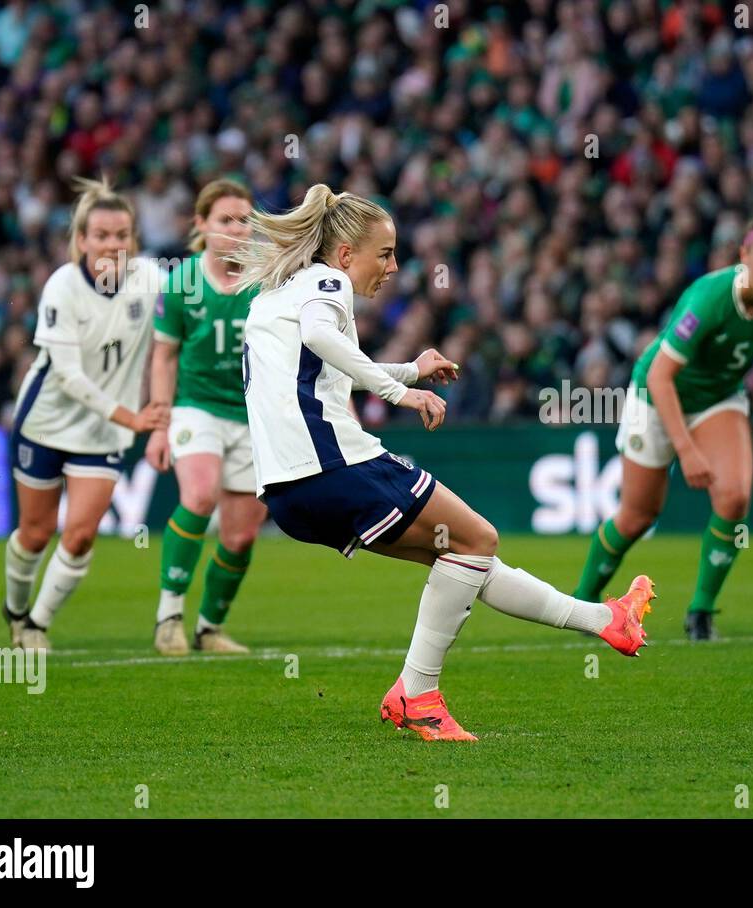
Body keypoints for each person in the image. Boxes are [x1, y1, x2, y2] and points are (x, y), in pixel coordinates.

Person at [232, 184, 656, 742]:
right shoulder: (327, 283)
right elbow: (319, 338)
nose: (393, 266)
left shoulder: (278, 295)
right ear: (343, 256)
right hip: (333, 465)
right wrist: (397, 393)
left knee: (462, 555)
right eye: (383, 253)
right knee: (478, 539)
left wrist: (409, 369)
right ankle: (417, 692)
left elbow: (314, 363)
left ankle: (606, 622)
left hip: (289, 492)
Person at [573, 206, 753, 641]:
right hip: (655, 394)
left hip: (718, 397)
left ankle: (700, 613)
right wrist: (689, 450)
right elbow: (661, 375)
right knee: (638, 516)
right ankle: (581, 601)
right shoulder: (710, 298)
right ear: (744, 256)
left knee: (734, 500)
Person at [3, 177, 169, 650]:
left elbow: (195, 299)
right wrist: (133, 418)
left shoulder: (152, 279)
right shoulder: (62, 287)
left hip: (103, 433)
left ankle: (35, 625)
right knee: (34, 534)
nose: (112, 244)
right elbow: (69, 377)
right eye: (101, 235)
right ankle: (14, 609)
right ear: (81, 240)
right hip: (46, 424)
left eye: (122, 235)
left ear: (133, 239)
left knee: (77, 537)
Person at [146, 179, 264, 655]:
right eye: (225, 221)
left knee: (240, 534)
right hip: (197, 407)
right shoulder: (182, 282)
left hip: (253, 415)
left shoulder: (266, 280)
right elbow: (163, 357)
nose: (236, 230)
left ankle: (209, 627)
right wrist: (159, 424)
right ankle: (168, 617)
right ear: (201, 225)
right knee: (197, 497)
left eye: (244, 221)